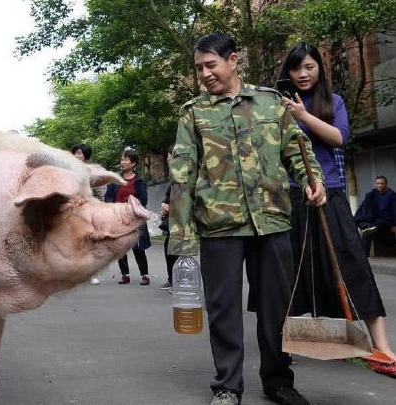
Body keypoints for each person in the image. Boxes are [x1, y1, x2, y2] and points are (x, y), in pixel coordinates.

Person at [169, 33, 326, 405]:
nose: (204, 74)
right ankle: (227, 386)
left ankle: (278, 381)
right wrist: (181, 235)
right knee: (223, 309)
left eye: (211, 65)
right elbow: (180, 176)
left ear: (233, 60)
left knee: (276, 306)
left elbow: (298, 151)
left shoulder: (271, 104)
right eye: (198, 69)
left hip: (271, 220)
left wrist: (313, 182)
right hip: (218, 225)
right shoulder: (194, 113)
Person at [279, 42, 395, 362]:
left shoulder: (334, 101)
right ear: (287, 71)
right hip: (292, 197)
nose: (302, 74)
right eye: (296, 68)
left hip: (330, 194)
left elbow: (339, 137)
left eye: (309, 67)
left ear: (320, 68)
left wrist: (304, 115)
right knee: (290, 271)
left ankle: (381, 345)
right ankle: (284, 342)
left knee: (353, 266)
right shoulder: (278, 105)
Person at [105, 148, 151, 285]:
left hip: (135, 218)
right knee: (121, 247)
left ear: (133, 163)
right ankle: (125, 274)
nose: (122, 162)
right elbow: (108, 197)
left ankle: (145, 275)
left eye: (126, 160)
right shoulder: (115, 180)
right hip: (118, 218)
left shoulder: (139, 181)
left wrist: (132, 205)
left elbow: (143, 200)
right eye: (122, 159)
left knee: (138, 247)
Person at [71, 143, 101, 285]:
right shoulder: (67, 170)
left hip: (88, 210)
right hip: (72, 211)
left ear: (86, 156)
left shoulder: (90, 171)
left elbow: (98, 191)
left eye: (80, 153)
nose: (77, 155)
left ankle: (91, 274)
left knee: (90, 242)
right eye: (75, 152)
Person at [355, 175, 396, 256]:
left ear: (386, 184)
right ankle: (364, 256)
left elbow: (394, 210)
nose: (379, 185)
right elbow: (365, 206)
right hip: (373, 218)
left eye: (381, 183)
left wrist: (395, 224)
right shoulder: (372, 193)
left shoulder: (391, 194)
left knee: (370, 229)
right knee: (366, 229)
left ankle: (370, 227)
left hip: (386, 219)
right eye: (377, 184)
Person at [159, 146, 178, 290]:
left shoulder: (186, 175)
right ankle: (172, 279)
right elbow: (166, 197)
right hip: (172, 221)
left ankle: (181, 281)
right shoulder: (173, 177)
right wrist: (164, 205)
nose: (167, 158)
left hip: (182, 221)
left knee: (179, 251)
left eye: (169, 155)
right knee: (168, 248)